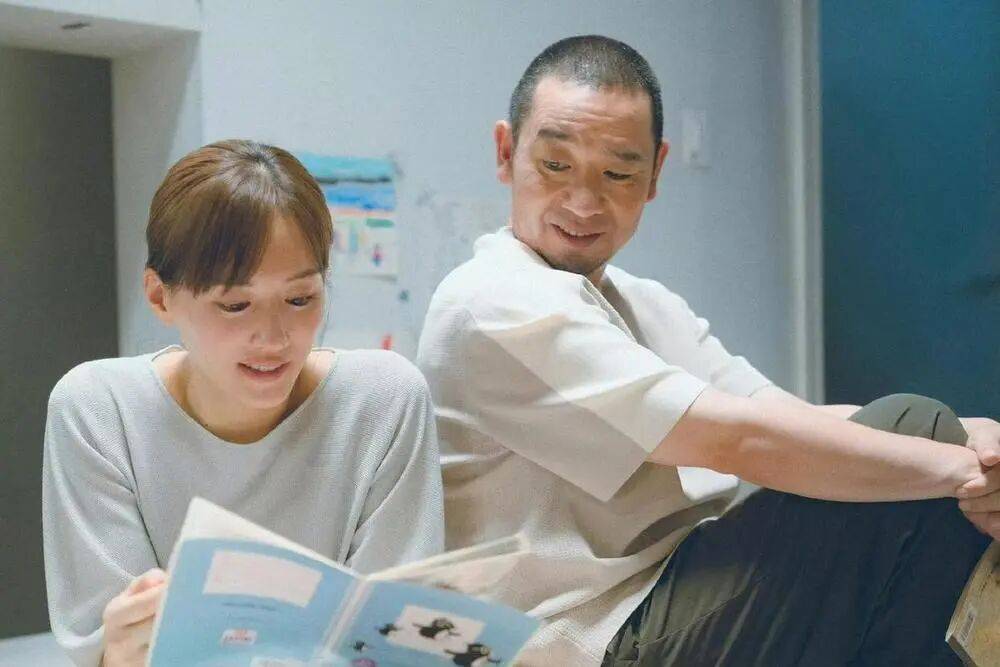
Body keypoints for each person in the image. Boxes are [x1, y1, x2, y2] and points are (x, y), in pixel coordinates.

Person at [416, 36, 1000, 665]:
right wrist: (960, 472)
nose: (583, 202)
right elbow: (735, 440)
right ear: (506, 152)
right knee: (918, 442)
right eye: (555, 165)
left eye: (617, 173)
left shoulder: (642, 302)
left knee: (921, 438)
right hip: (582, 637)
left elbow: (785, 416)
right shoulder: (493, 298)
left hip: (671, 591)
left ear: (655, 173)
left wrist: (971, 440)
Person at [43, 140, 444, 667]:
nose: (273, 338)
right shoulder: (98, 411)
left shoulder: (383, 401)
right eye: (235, 305)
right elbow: (114, 646)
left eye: (300, 299)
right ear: (161, 296)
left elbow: (398, 645)